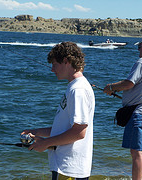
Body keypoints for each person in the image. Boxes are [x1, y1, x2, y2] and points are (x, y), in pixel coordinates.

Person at [21, 42, 95, 180]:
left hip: (70, 169)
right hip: (65, 167)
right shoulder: (74, 87)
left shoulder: (78, 90)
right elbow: (65, 128)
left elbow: (79, 132)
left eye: (54, 65)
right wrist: (36, 132)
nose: (52, 70)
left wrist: (45, 143)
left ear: (66, 61)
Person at [104, 34, 142, 180]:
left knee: (137, 152)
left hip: (139, 114)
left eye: (140, 46)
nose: (138, 50)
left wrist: (111, 87)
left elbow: (129, 83)